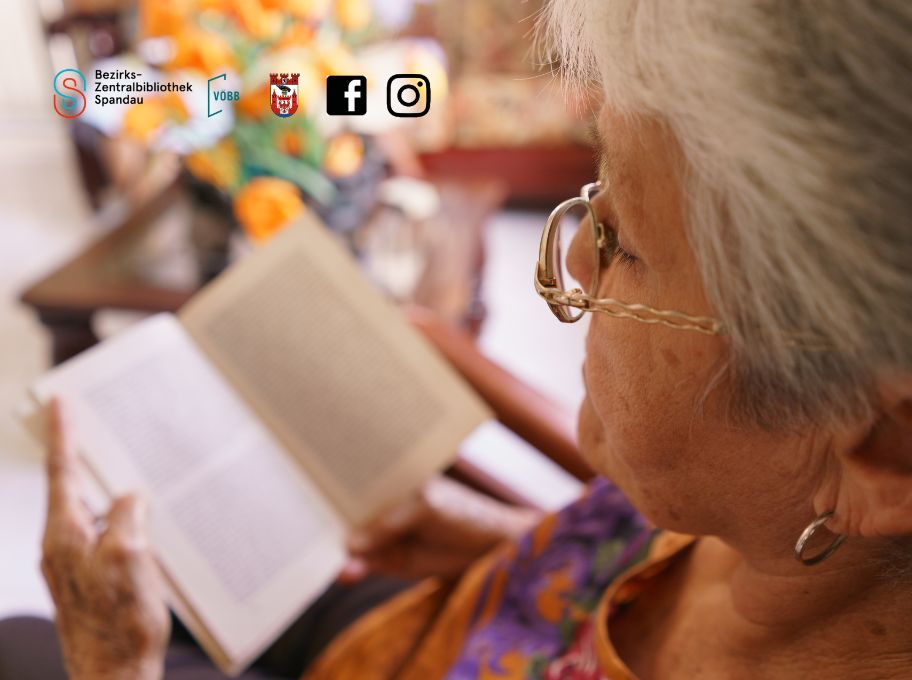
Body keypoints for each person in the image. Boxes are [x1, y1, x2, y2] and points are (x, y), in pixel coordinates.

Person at [2, 1, 911, 678]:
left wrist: (114, 668)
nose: (573, 277)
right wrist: (508, 539)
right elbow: (671, 536)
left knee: (25, 644)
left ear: (883, 448)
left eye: (624, 243)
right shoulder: (788, 512)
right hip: (432, 601)